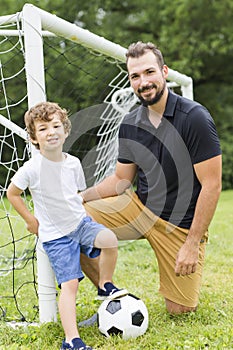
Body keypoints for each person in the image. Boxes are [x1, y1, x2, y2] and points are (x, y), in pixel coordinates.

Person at [81, 41, 222, 315]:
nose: (143, 82)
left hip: (180, 227)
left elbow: (212, 185)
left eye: (149, 72)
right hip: (140, 209)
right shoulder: (131, 123)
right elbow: (121, 181)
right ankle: (114, 298)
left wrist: (192, 244)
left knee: (180, 311)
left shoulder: (194, 118)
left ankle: (183, 267)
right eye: (135, 76)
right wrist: (78, 197)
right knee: (75, 219)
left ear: (164, 71)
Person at [7, 102, 127, 350]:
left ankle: (105, 286)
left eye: (55, 125)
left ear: (65, 130)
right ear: (33, 138)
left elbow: (74, 194)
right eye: (43, 128)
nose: (51, 131)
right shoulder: (31, 169)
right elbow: (13, 193)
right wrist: (30, 220)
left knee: (110, 240)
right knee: (70, 284)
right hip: (56, 237)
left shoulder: (73, 163)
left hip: (80, 223)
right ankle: (72, 339)